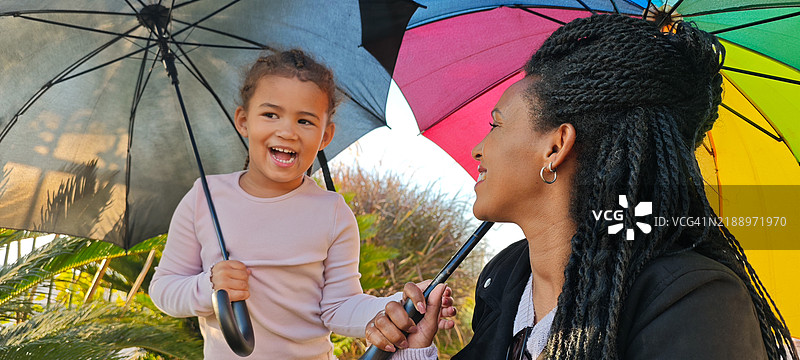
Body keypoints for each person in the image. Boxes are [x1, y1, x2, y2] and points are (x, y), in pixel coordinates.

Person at [364, 15, 798, 360]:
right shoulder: (503, 284)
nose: (479, 148)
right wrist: (415, 352)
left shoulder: (694, 302)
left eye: (495, 125)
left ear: (556, 146)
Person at [149, 49, 454, 359]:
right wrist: (209, 286)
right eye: (270, 114)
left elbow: (339, 307)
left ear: (326, 136)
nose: (287, 131)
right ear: (243, 121)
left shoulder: (332, 212)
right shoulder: (204, 197)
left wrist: (400, 307)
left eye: (305, 121)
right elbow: (163, 289)